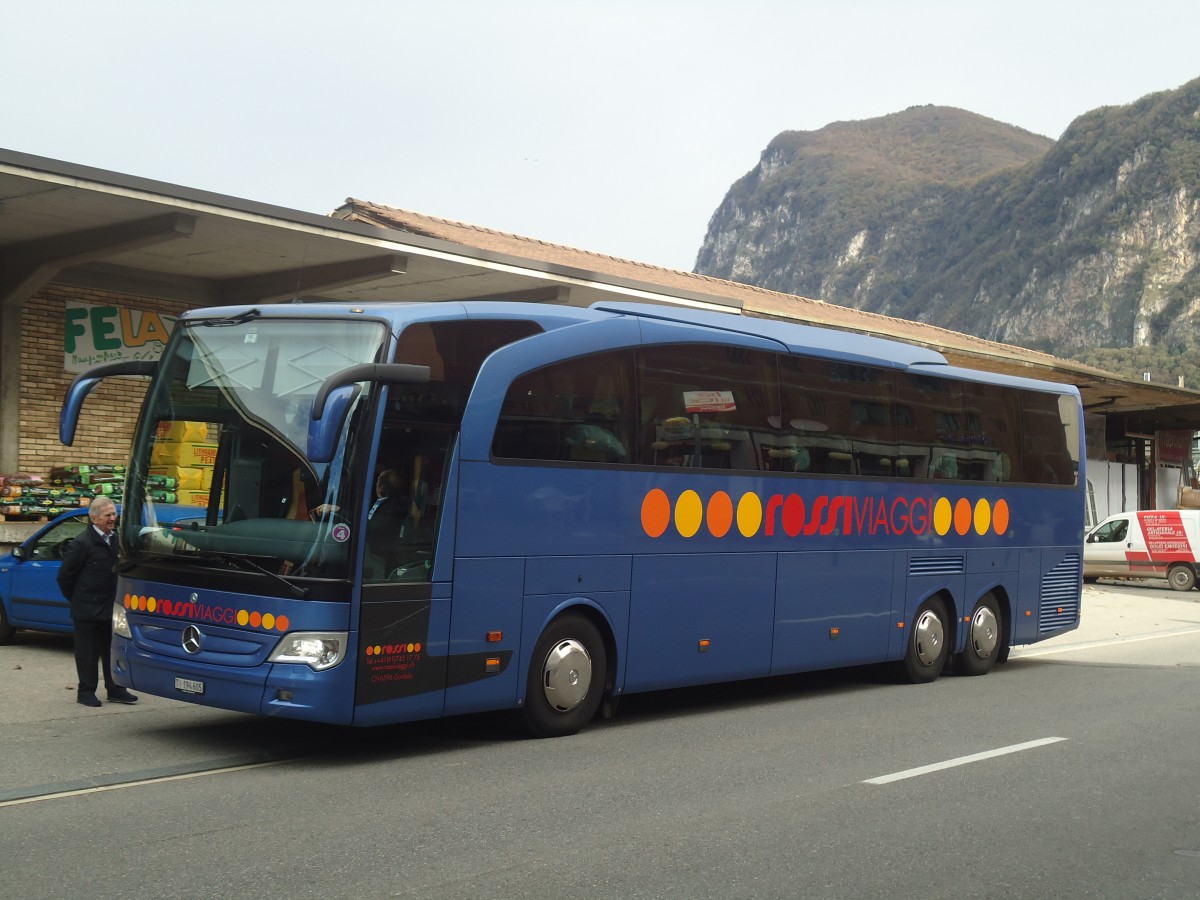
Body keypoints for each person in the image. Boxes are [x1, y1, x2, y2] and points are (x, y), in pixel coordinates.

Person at [56, 495, 138, 707]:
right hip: (87, 610)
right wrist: (78, 600)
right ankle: (86, 692)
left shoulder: (116, 540)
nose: (113, 518)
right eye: (108, 515)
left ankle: (116, 688)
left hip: (111, 608)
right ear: (94, 519)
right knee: (87, 654)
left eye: (114, 514)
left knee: (112, 650)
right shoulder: (82, 544)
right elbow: (65, 577)